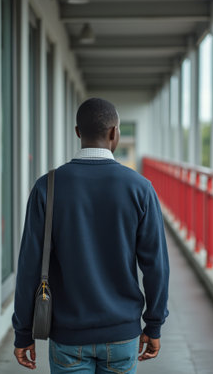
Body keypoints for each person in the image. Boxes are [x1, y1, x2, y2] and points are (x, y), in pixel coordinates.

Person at [12, 97, 170, 373]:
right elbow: (156, 265)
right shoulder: (140, 188)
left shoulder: (46, 187)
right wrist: (153, 324)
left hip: (68, 335)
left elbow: (29, 266)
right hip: (122, 334)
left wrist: (23, 332)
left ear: (77, 133)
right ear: (114, 133)